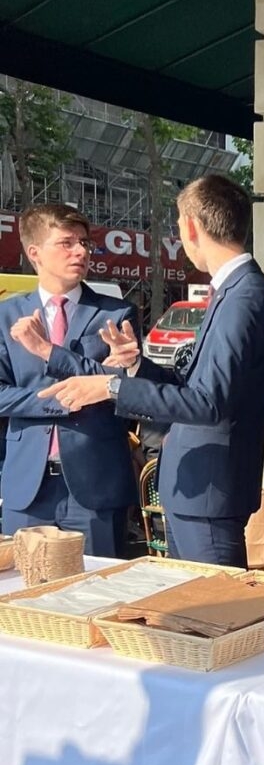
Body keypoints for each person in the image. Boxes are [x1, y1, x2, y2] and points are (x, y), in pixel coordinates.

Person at [39, 175, 264, 568]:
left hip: (209, 496)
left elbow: (207, 403)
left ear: (191, 227)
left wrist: (111, 387)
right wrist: (136, 365)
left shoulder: (242, 297)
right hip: (199, 493)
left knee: (211, 619)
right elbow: (199, 390)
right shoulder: (236, 291)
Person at [0, 204, 139, 556]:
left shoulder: (116, 313)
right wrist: (66, 396)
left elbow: (121, 385)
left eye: (84, 243)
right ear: (35, 253)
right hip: (27, 486)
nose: (80, 251)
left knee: (97, 595)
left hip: (95, 484)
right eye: (66, 243)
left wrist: (48, 351)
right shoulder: (7, 315)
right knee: (21, 595)